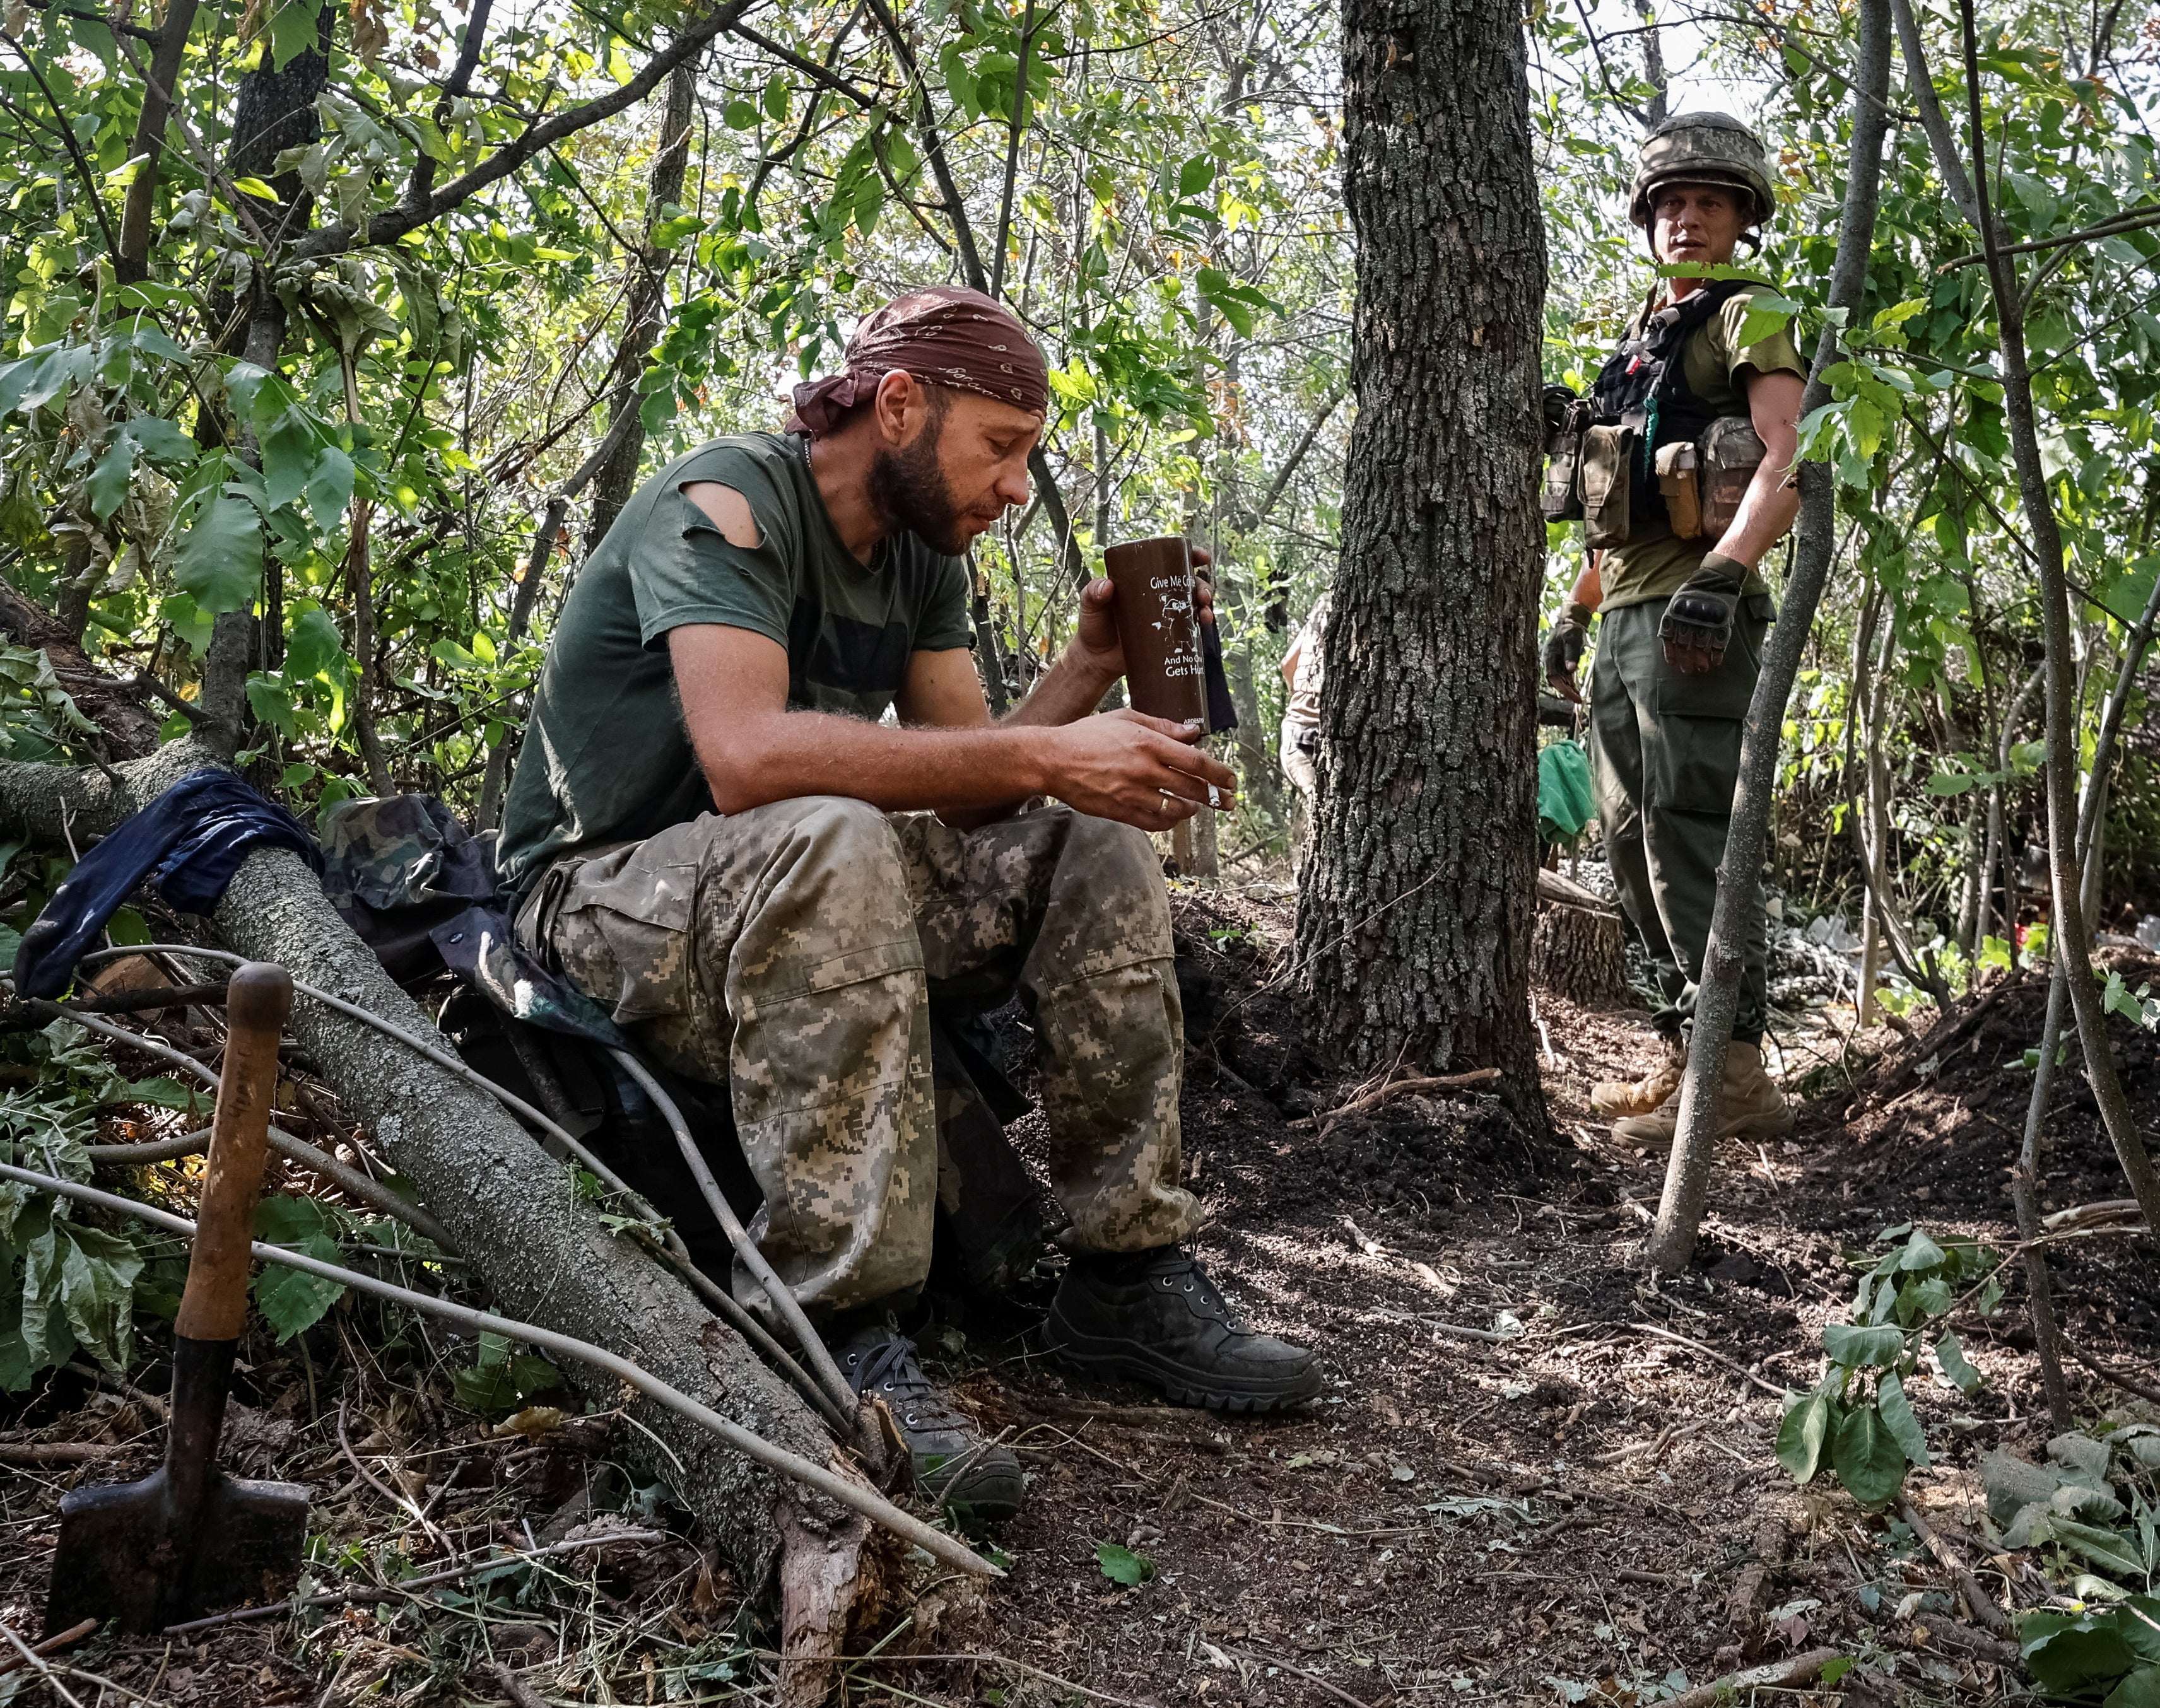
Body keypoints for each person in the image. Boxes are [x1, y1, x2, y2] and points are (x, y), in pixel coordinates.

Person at [495, 286, 1321, 1526]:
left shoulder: (924, 560)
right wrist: (1045, 757)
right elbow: (746, 760)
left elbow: (975, 794)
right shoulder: (727, 500)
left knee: (1080, 840)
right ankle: (832, 1328)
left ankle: (1124, 1274)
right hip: (598, 898)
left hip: (780, 881)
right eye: (1000, 446)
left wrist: (1087, 672)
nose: (1012, 486)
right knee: (827, 831)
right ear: (897, 405)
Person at [1540, 112, 1804, 1147]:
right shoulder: (1642, 338)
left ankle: (1733, 1073)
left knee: (1684, 833)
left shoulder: (1748, 317)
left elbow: (1786, 456)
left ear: (1741, 217)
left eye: (1706, 201)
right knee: (1622, 842)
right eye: (1668, 202)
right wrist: (1574, 611)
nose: (1684, 218)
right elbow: (1620, 508)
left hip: (1699, 616)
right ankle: (1680, 1052)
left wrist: (1724, 572)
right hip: (1628, 616)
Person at [1277, 591, 1329, 845]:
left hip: (1297, 732)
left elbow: (1288, 664)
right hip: (1306, 736)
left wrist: (1298, 696)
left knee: (1321, 806)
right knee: (1324, 807)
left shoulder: (1320, 614)